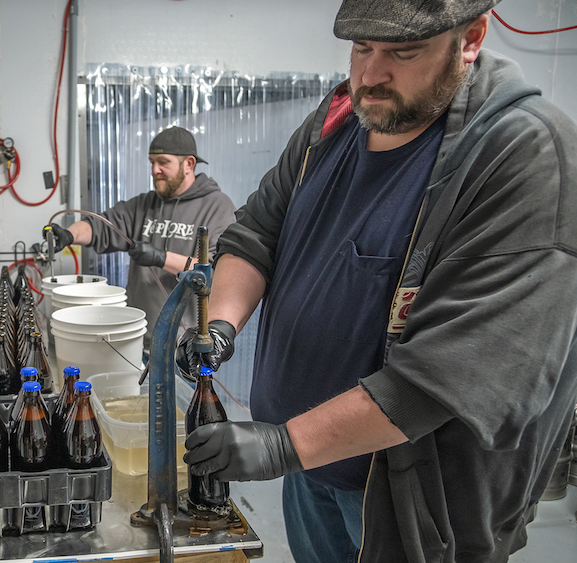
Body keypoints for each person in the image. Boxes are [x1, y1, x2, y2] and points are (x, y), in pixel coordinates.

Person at [176, 1, 577, 562]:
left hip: (413, 505)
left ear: (471, 39)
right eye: (361, 48)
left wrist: (282, 445)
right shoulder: (340, 118)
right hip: (311, 471)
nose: (370, 74)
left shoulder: (524, 154)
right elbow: (257, 232)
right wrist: (220, 325)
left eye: (403, 53)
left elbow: (456, 374)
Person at [46, 126, 236, 347]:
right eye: (152, 162)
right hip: (138, 336)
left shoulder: (217, 207)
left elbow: (216, 271)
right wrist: (69, 235)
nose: (155, 170)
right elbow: (101, 226)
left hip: (186, 344)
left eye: (163, 162)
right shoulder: (145, 204)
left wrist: (160, 258)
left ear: (189, 164)